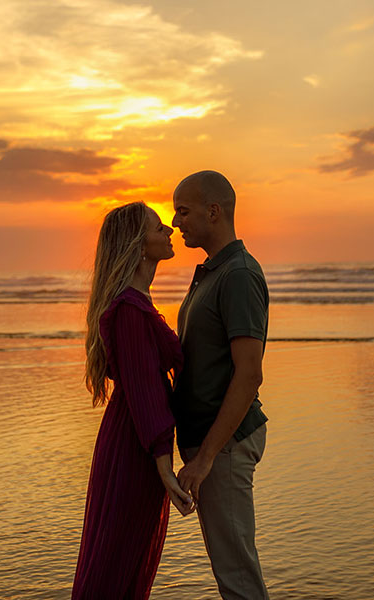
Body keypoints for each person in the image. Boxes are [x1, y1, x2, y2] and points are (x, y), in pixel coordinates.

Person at [72, 201, 195, 600]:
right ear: (138, 245)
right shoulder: (128, 308)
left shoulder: (137, 303)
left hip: (137, 440)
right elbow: (145, 390)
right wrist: (164, 467)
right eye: (159, 228)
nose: (169, 232)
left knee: (126, 559)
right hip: (135, 446)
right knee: (116, 563)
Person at [171, 171, 270, 600]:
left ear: (214, 211)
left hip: (225, 443)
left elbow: (249, 373)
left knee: (237, 575)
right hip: (209, 441)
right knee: (230, 569)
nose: (176, 222)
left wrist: (206, 457)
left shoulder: (238, 275)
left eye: (183, 210)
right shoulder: (211, 272)